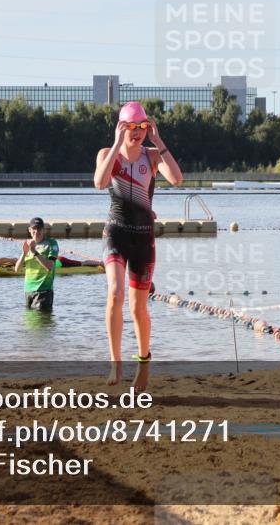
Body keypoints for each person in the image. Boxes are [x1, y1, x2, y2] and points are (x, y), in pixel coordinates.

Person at [94, 101, 183, 388]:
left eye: (142, 127)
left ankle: (144, 362)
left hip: (143, 238)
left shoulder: (153, 156)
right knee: (115, 292)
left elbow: (177, 179)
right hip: (116, 233)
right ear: (121, 127)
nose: (137, 133)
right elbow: (99, 182)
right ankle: (115, 362)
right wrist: (116, 143)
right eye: (131, 127)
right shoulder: (107, 154)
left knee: (138, 308)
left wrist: (159, 141)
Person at [7, 217, 59, 312]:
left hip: (43, 290)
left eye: (39, 228)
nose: (36, 231)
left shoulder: (51, 243)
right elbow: (17, 269)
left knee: (40, 319)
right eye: (34, 228)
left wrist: (34, 251)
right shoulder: (28, 244)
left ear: (43, 230)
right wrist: (24, 253)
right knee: (29, 320)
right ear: (29, 230)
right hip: (28, 290)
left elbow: (49, 267)